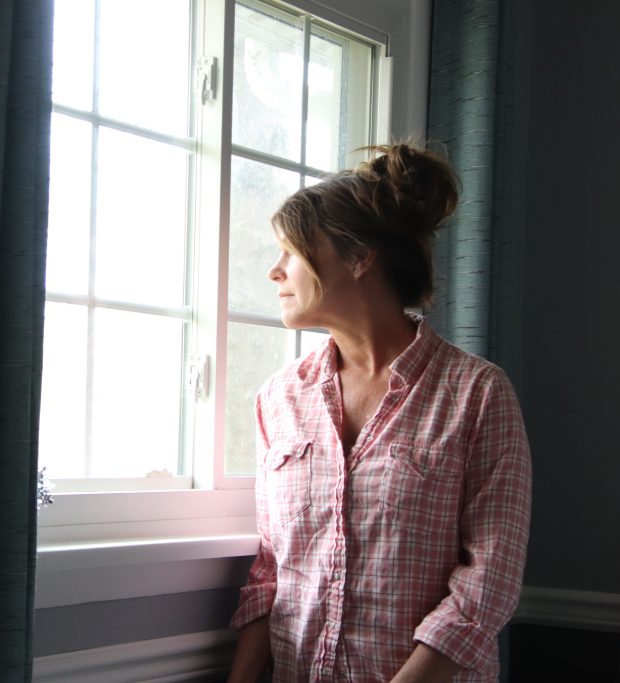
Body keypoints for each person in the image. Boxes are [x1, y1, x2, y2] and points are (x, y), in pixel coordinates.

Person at [227, 143, 532, 683]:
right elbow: (272, 571)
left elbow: (488, 581)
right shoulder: (279, 399)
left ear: (359, 258)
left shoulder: (478, 394)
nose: (275, 271)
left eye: (291, 252)